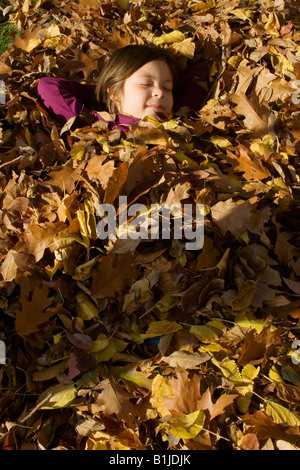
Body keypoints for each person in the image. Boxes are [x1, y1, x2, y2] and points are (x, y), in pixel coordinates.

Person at [37, 43, 207, 132]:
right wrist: (99, 100)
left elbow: (199, 77)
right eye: (146, 84)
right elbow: (48, 86)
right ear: (116, 92)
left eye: (167, 88)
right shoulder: (92, 125)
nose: (159, 92)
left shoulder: (176, 120)